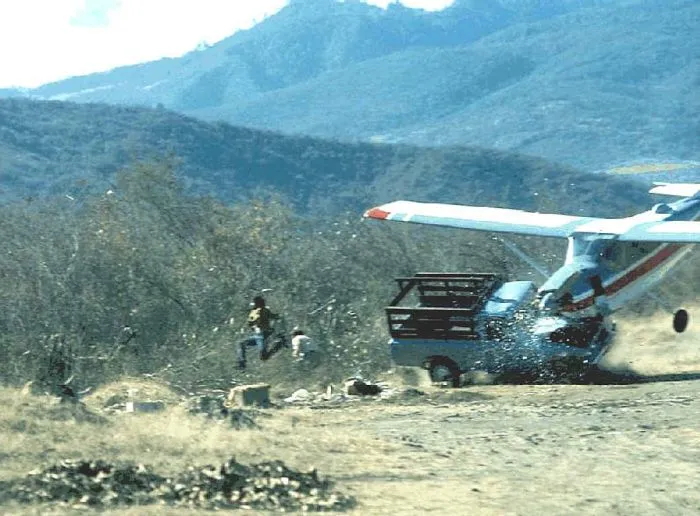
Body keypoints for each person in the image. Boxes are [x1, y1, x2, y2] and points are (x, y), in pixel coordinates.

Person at [237, 296, 287, 369]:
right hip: (258, 335)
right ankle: (241, 363)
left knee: (263, 356)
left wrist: (252, 320)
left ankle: (279, 344)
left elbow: (255, 320)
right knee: (242, 344)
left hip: (262, 334)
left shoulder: (261, 310)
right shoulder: (259, 310)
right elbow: (271, 317)